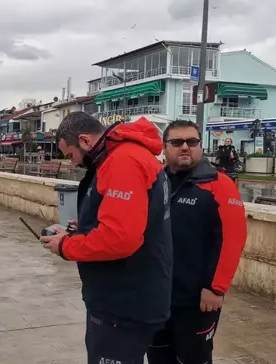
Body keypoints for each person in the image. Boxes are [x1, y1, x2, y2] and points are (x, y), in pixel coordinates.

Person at [40, 112, 172, 364]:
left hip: (123, 302)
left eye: (71, 155)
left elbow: (120, 238)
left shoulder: (122, 161)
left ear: (85, 141)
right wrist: (88, 225)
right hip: (129, 295)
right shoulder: (129, 156)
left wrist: (67, 245)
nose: (74, 163)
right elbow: (134, 217)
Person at [147, 120, 247, 364]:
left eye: (192, 142)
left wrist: (216, 288)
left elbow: (232, 239)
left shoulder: (219, 185)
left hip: (198, 300)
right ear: (164, 147)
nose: (185, 147)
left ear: (200, 146)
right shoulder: (154, 181)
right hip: (155, 295)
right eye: (177, 142)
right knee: (158, 357)